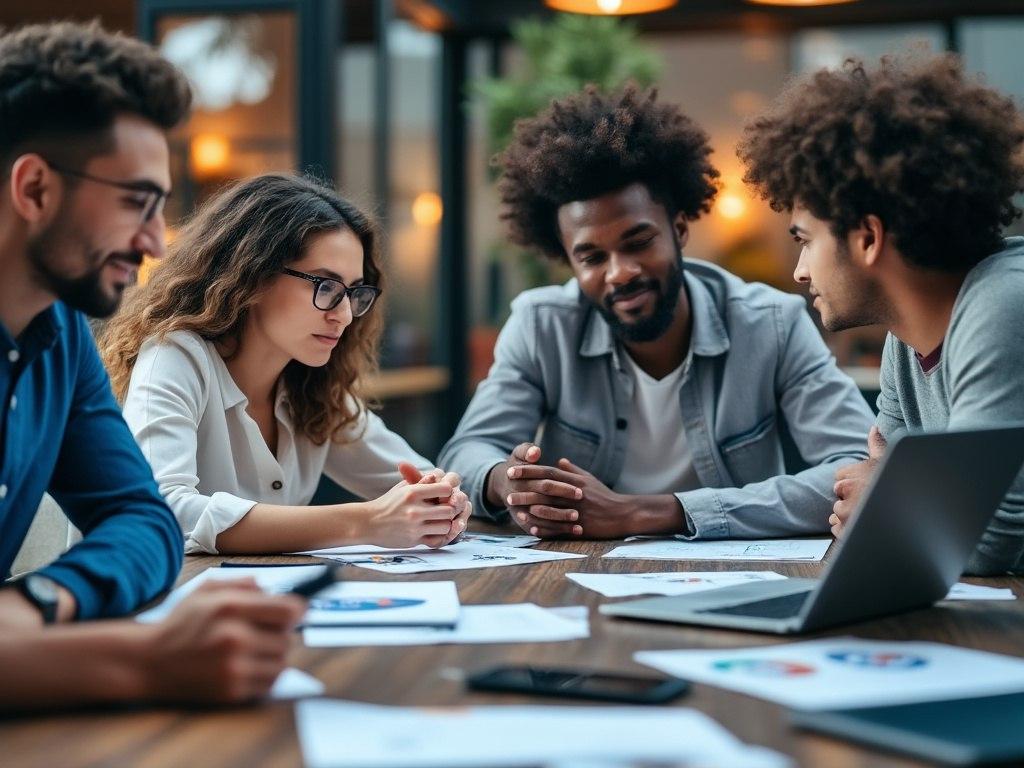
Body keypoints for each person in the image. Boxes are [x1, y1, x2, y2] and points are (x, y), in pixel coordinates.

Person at [0, 21, 303, 711]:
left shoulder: (62, 337)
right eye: (137, 202)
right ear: (36, 189)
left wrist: (39, 600)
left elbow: (143, 519)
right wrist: (145, 662)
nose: (153, 241)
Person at [439, 85, 875, 540]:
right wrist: (506, 483)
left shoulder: (771, 323)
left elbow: (857, 472)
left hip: (731, 580)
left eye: (639, 242)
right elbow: (467, 451)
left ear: (679, 230)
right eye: (591, 258)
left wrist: (650, 512)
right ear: (568, 260)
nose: (620, 273)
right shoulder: (541, 325)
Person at [738, 54, 1024, 574]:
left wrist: (894, 495)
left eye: (805, 241)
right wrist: (901, 494)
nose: (800, 272)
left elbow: (984, 540)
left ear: (867, 238)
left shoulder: (1003, 304)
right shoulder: (904, 341)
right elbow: (868, 484)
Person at [101, 173, 470, 555]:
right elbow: (163, 513)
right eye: (325, 286)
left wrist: (445, 503)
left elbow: (423, 482)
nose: (344, 315)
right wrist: (366, 521)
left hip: (270, 604)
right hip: (154, 606)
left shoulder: (313, 385)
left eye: (354, 292)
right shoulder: (174, 356)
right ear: (252, 274)